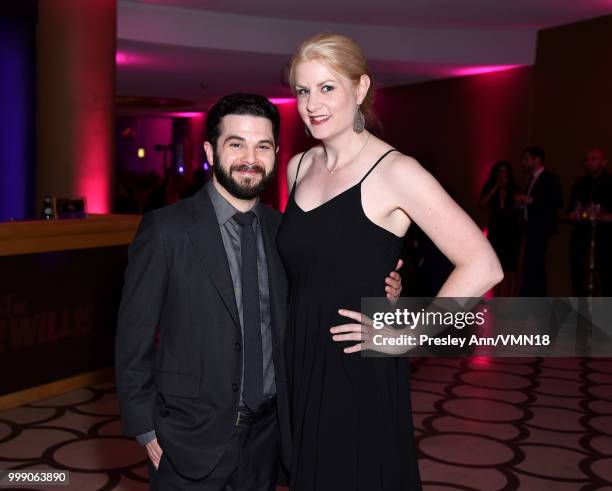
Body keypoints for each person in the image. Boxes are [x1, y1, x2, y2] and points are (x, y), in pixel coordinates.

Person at [115, 93, 403, 490]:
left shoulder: (283, 232)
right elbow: (133, 339)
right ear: (210, 151)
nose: (250, 157)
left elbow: (319, 294)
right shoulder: (166, 230)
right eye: (236, 143)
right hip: (188, 437)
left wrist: (382, 289)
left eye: (262, 145)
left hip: (268, 438)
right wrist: (145, 428)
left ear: (276, 153)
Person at [277, 33, 503, 491]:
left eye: (327, 88)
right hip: (299, 356)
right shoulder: (297, 167)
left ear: (359, 90)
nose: (311, 104)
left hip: (357, 362)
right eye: (303, 90)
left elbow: (483, 264)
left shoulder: (397, 171)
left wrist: (408, 333)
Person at [515, 145, 563, 296]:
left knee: (535, 265)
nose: (523, 162)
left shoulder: (549, 178)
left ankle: (534, 300)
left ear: (537, 160)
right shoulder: (532, 179)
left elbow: (556, 201)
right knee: (531, 266)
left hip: (540, 229)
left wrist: (529, 200)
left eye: (526, 159)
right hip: (530, 229)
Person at [567, 148, 612, 295]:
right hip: (581, 235)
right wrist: (575, 214)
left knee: (606, 275)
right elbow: (570, 211)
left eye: (594, 159)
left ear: (604, 162)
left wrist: (603, 216)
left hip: (604, 237)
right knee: (578, 275)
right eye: (587, 160)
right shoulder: (580, 183)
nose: (589, 163)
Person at [479, 160, 521, 296]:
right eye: (499, 171)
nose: (502, 174)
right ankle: (497, 299)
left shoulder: (515, 188)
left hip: (512, 230)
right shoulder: (491, 187)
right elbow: (481, 203)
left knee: (511, 267)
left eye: (505, 171)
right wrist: (495, 188)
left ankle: (512, 300)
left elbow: (518, 208)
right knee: (497, 265)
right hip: (496, 229)